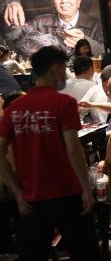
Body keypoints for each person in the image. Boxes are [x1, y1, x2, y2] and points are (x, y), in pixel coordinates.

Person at [0, 46, 100, 260]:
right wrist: (86, 189)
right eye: (63, 68)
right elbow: (73, 149)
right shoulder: (64, 103)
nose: (65, 74)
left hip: (31, 199)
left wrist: (16, 193)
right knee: (84, 253)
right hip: (67, 194)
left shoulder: (14, 109)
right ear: (55, 68)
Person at [2, 0, 104, 56]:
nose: (64, 1)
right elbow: (12, 35)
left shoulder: (97, 25)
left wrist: (86, 43)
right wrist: (10, 7)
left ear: (79, 0)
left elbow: (106, 51)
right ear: (53, 0)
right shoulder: (39, 23)